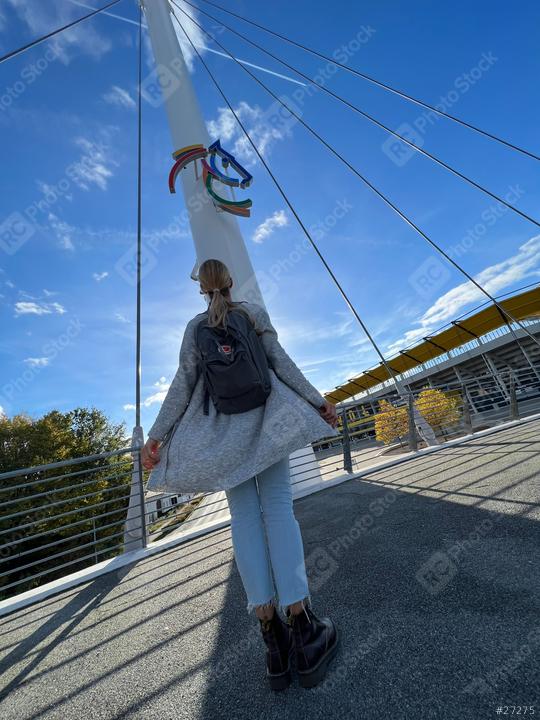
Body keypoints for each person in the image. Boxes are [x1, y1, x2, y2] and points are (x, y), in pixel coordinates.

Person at [141, 258, 340, 691]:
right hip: (268, 426)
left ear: (201, 289)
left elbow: (182, 385)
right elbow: (279, 363)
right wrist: (318, 401)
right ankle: (303, 627)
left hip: (225, 439)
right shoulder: (252, 314)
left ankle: (272, 640)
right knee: (279, 512)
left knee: (245, 522)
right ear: (231, 283)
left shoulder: (196, 329)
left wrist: (157, 436)